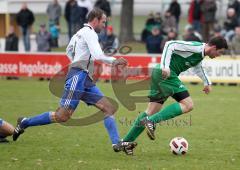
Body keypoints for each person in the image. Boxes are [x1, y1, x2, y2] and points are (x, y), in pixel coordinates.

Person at [12, 8, 136, 155]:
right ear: (95, 20)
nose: (104, 25)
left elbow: (68, 51)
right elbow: (98, 55)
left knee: (109, 108)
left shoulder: (79, 33)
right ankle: (25, 122)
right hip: (77, 77)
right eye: (103, 22)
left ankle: (116, 143)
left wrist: (77, 63)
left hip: (84, 79)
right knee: (62, 116)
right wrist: (115, 61)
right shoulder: (89, 33)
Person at [121, 36, 228, 154]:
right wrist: (165, 67)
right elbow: (169, 44)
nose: (219, 55)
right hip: (166, 74)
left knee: (151, 111)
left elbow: (198, 68)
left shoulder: (200, 55)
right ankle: (151, 121)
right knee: (188, 105)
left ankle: (125, 142)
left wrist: (207, 82)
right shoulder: (196, 47)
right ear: (213, 47)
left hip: (159, 74)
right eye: (220, 52)